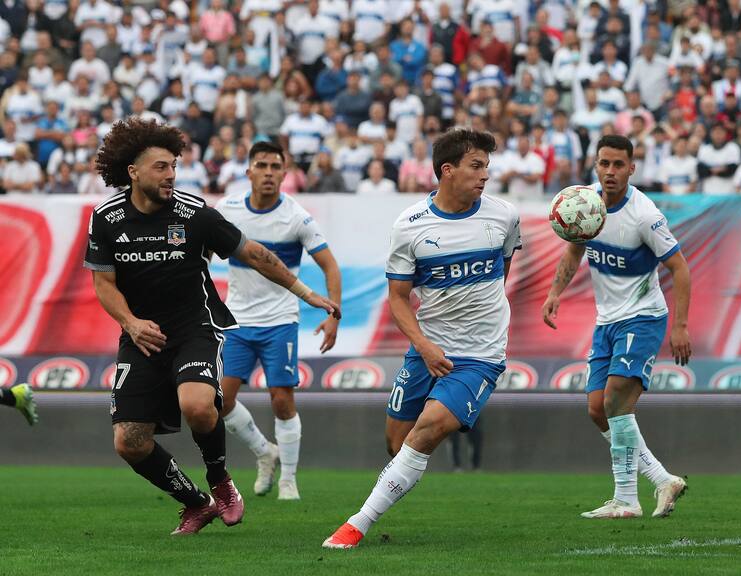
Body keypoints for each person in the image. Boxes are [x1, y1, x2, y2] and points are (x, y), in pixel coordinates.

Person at [84, 118, 340, 535]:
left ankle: (220, 480)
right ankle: (196, 503)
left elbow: (254, 253)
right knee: (128, 442)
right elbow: (103, 283)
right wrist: (130, 322)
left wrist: (305, 293)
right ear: (133, 172)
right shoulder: (107, 218)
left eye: (174, 166)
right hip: (140, 336)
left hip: (193, 328)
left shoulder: (195, 213)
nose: (171, 175)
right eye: (161, 167)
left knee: (199, 405)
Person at [323, 128, 521, 548]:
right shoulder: (410, 226)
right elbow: (397, 298)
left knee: (427, 429)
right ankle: (399, 482)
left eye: (487, 166)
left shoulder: (504, 216)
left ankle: (356, 525)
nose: (485, 175)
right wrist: (426, 345)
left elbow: (499, 276)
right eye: (476, 166)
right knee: (398, 442)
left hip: (480, 354)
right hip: (427, 347)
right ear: (447, 171)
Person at [542, 135, 690, 519]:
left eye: (618, 165)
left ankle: (626, 500)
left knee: (615, 403)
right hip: (606, 320)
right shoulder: (586, 204)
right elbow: (575, 246)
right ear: (596, 164)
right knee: (597, 409)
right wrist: (556, 291)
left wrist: (681, 326)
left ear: (632, 167)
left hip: (642, 318)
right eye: (604, 163)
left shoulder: (645, 214)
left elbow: (680, 269)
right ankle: (662, 479)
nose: (610, 172)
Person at [216, 141, 341, 500]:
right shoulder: (227, 210)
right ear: (249, 171)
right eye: (262, 165)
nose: (269, 173)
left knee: (281, 398)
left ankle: (288, 479)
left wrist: (333, 316)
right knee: (220, 402)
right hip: (237, 320)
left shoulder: (297, 218)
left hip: (281, 320)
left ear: (286, 174)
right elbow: (202, 253)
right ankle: (264, 452)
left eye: (275, 166)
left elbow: (330, 265)